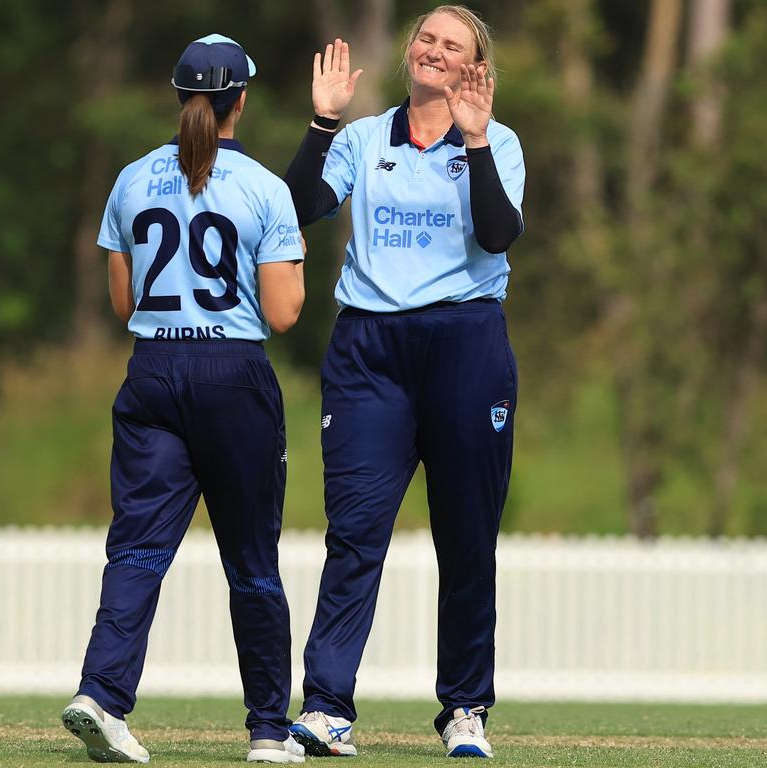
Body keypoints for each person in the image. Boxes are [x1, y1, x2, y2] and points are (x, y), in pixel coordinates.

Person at [282, 5, 524, 760]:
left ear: (473, 67)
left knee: (466, 537)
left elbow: (497, 233)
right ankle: (325, 708)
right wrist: (322, 125)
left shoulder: (500, 141)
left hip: (465, 344)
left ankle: (464, 709)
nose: (434, 50)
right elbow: (299, 208)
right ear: (410, 53)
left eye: (453, 46)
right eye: (426, 38)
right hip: (370, 350)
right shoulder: (363, 137)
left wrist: (476, 138)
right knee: (354, 534)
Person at [60, 34, 307, 765]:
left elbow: (121, 299)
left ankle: (101, 694)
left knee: (136, 548)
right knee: (252, 563)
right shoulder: (264, 186)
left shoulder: (133, 179)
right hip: (232, 374)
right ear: (242, 100)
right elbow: (286, 312)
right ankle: (268, 730)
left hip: (153, 369)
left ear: (178, 97)